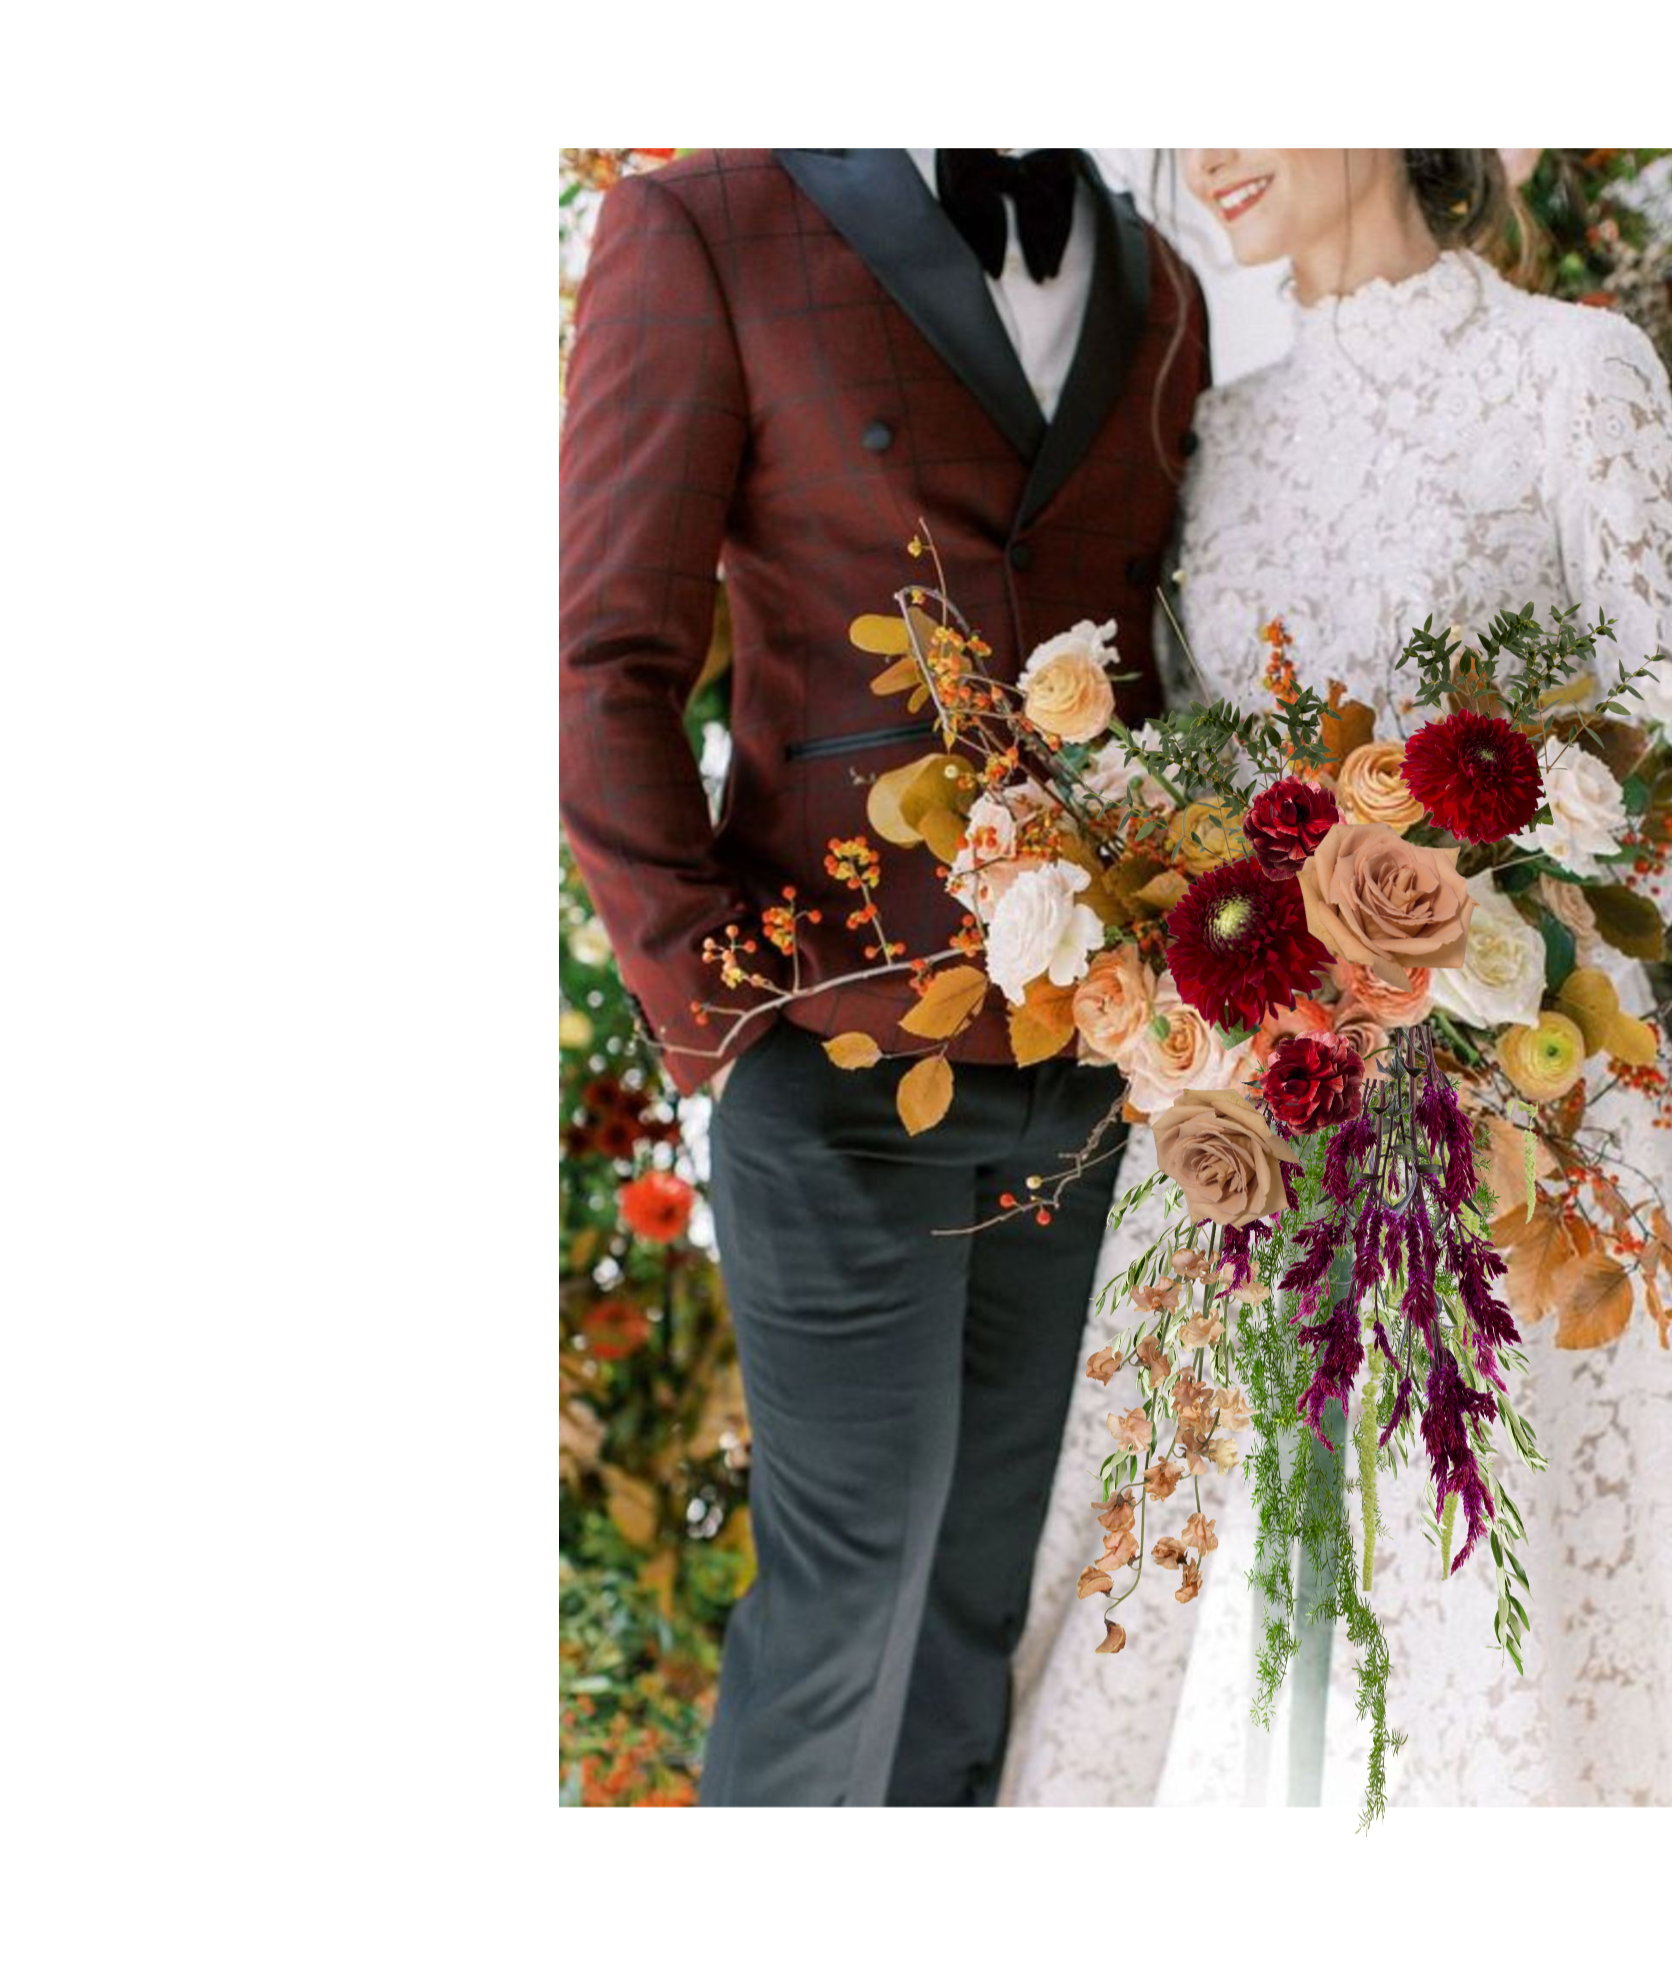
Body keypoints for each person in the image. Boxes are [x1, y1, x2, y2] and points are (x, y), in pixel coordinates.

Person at [999, 148, 1672, 1808]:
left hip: (1529, 1123)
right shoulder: (1223, 430)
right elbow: (1206, 783)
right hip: (1260, 1119)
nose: (1206, 159)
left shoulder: (1574, 370)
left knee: (1512, 1607)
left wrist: (1489, 969)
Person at [559, 147, 1213, 1806]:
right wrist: (721, 1013)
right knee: (845, 1602)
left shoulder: (1161, 280)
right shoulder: (704, 221)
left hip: (1090, 1080)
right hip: (836, 1057)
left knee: (974, 1615)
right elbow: (601, 658)